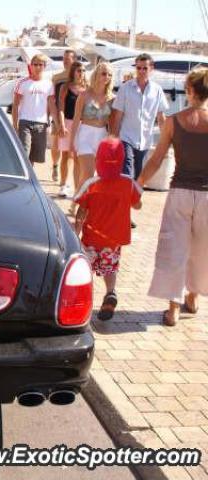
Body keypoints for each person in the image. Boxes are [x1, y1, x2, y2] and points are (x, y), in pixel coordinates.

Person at [137, 67, 208, 327]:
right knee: (202, 251)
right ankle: (193, 296)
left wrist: (139, 184)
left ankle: (173, 308)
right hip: (207, 196)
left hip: (179, 192)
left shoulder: (173, 121)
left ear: (189, 91)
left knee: (175, 249)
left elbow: (157, 159)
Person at [74, 137, 142, 320]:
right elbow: (138, 205)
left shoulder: (92, 184)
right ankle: (110, 293)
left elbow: (81, 212)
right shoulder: (128, 183)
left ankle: (83, 301)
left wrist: (74, 234)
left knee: (84, 270)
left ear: (98, 159)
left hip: (89, 239)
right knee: (110, 269)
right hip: (112, 241)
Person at [111, 53, 168, 181]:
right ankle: (125, 201)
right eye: (138, 68)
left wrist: (164, 142)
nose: (141, 71)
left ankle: (132, 201)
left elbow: (161, 118)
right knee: (127, 174)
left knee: (138, 179)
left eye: (145, 68)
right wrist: (113, 139)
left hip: (145, 142)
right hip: (126, 138)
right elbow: (117, 115)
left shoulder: (157, 90)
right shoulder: (125, 88)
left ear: (151, 69)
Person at [70, 62, 114, 192]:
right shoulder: (84, 95)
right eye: (104, 73)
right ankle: (78, 201)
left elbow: (111, 123)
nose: (107, 77)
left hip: (102, 137)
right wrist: (72, 142)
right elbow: (76, 119)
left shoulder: (112, 98)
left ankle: (78, 201)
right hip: (85, 135)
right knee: (88, 172)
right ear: (96, 75)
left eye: (109, 75)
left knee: (96, 175)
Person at [12, 54, 60, 166]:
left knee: (34, 157)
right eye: (35, 64)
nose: (38, 67)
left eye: (40, 65)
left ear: (44, 67)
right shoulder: (22, 83)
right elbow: (15, 105)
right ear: (31, 66)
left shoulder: (49, 84)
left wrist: (57, 123)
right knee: (24, 153)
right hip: (25, 122)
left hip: (41, 124)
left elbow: (52, 105)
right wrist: (15, 124)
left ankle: (30, 178)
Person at [57, 61, 87, 198]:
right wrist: (61, 125)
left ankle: (77, 188)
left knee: (78, 157)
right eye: (79, 71)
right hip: (67, 123)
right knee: (65, 155)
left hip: (82, 125)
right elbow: (61, 108)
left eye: (83, 71)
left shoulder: (88, 88)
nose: (81, 73)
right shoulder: (65, 87)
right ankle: (63, 184)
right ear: (73, 72)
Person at [50, 49, 76, 182]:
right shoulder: (56, 77)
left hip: (71, 117)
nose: (65, 61)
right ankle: (55, 165)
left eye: (68, 59)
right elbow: (52, 98)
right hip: (57, 114)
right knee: (56, 144)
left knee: (69, 150)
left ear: (74, 60)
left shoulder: (80, 77)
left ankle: (65, 177)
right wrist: (53, 116)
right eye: (64, 59)